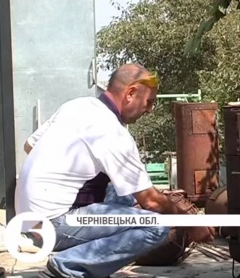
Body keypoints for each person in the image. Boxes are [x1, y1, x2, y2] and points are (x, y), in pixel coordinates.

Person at [16, 63, 215, 278]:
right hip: (53, 223)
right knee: (157, 225)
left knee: (122, 191)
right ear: (131, 93)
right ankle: (66, 268)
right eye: (149, 102)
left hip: (27, 218)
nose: (149, 110)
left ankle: (88, 260)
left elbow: (30, 146)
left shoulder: (77, 105)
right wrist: (190, 223)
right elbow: (151, 201)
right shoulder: (113, 133)